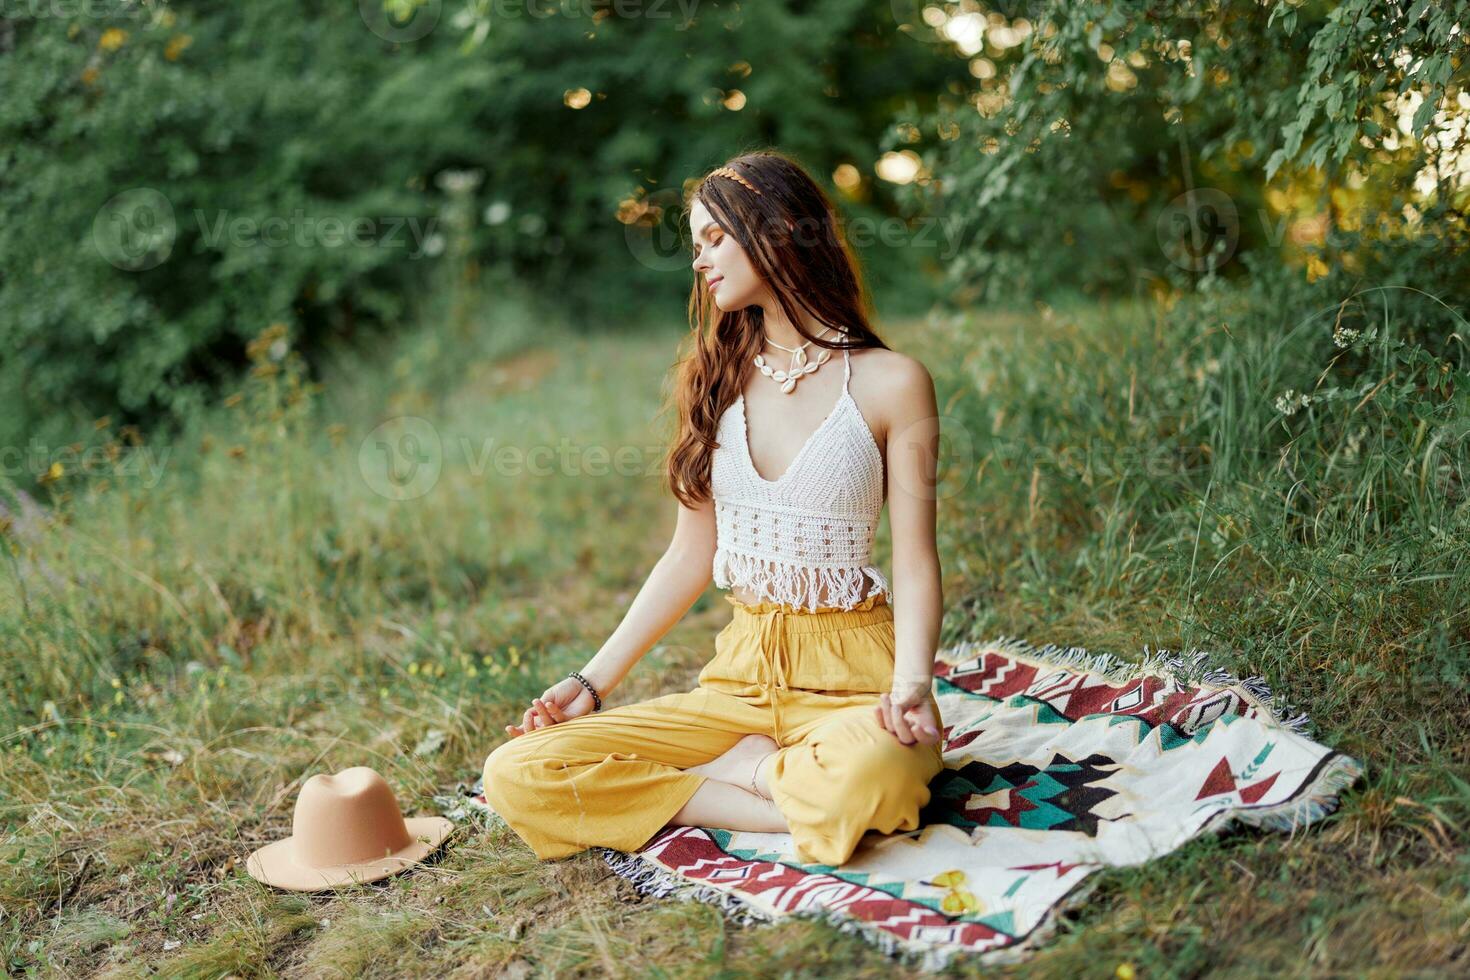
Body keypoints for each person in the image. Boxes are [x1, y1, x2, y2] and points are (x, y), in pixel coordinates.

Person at [482, 150, 946, 868]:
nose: (698, 260)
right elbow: (688, 555)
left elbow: (915, 558)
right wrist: (589, 684)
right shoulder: (714, 381)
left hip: (854, 675)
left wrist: (913, 681)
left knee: (878, 777)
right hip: (739, 678)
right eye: (695, 244)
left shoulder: (892, 383)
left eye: (713, 239)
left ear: (779, 229)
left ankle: (745, 775)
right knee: (515, 772)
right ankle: (731, 782)